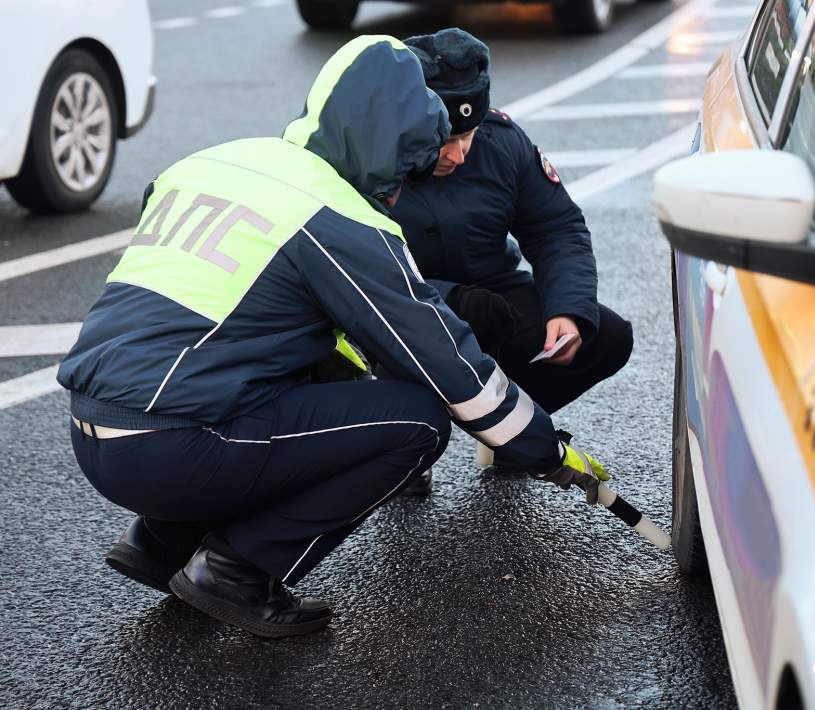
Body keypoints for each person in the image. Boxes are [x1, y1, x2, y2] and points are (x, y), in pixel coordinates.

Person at [57, 35, 609, 639]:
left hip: (93, 430)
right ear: (385, 147)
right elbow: (447, 364)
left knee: (307, 369)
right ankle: (239, 570)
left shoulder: (216, 162)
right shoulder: (336, 216)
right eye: (406, 166)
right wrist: (545, 448)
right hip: (173, 450)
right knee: (418, 421)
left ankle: (163, 538)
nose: (400, 189)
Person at [392, 30, 633, 493]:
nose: (459, 154)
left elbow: (556, 228)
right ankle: (406, 447)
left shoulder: (503, 141)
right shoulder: (367, 157)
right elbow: (347, 269)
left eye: (468, 135)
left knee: (607, 335)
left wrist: (568, 310)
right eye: (445, 139)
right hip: (398, 308)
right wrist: (448, 299)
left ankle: (510, 433)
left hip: (494, 298)